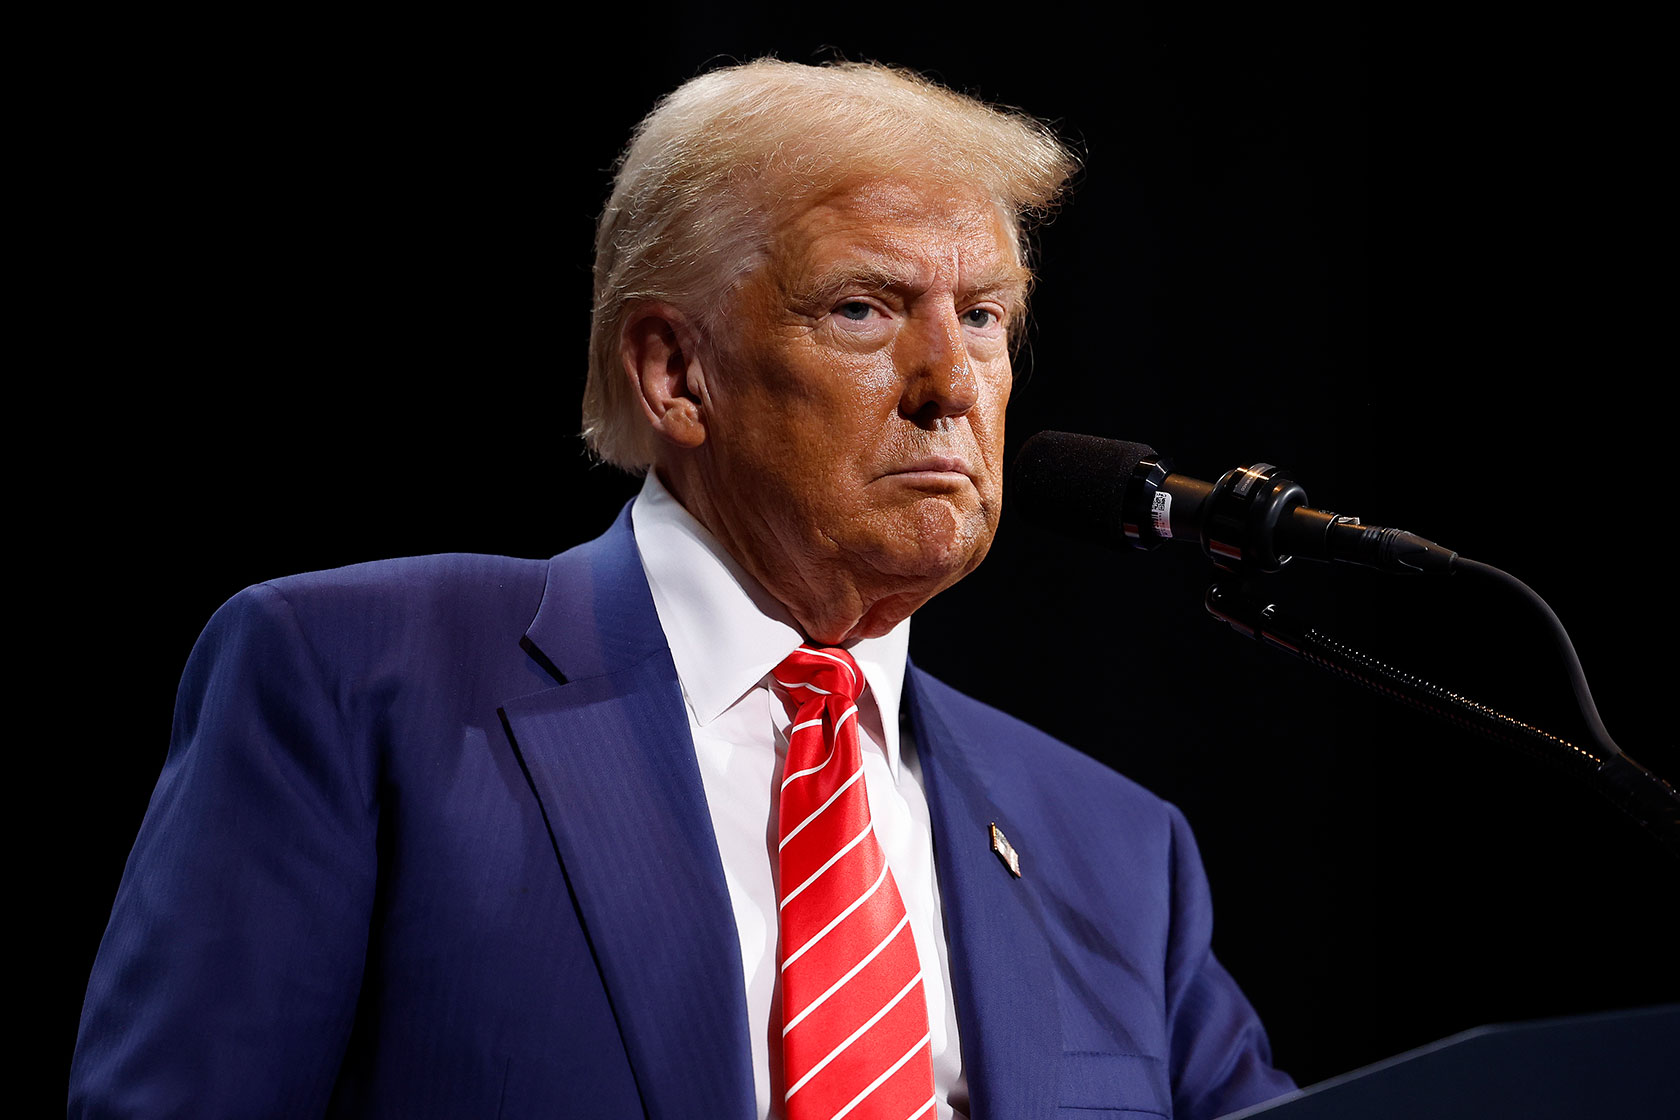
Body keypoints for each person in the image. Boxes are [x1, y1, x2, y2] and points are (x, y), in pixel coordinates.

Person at [71, 60, 1294, 1119]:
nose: (949, 382)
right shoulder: (357, 679)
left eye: (982, 316)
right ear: (674, 372)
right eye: (865, 308)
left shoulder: (1118, 849)